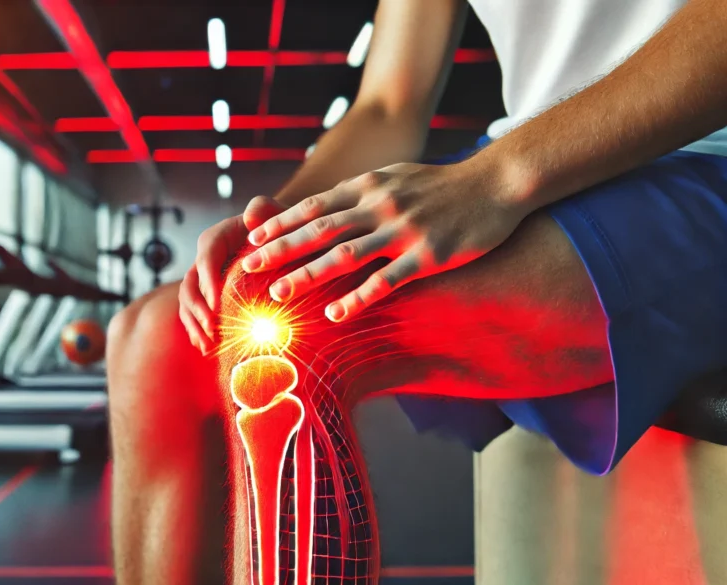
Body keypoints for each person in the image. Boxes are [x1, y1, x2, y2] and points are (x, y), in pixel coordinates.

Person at [105, 0, 727, 583]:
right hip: (519, 153)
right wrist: (270, 232)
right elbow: (387, 103)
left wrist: (498, 179)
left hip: (695, 149)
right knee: (157, 339)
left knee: (285, 342)